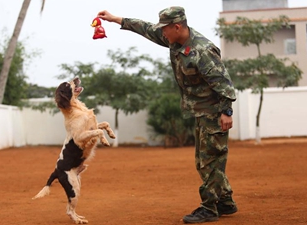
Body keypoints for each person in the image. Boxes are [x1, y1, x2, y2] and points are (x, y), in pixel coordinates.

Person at [97, 6, 237, 224]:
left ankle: (209, 207)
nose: (161, 33)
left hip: (214, 111)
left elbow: (224, 83)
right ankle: (225, 201)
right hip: (201, 111)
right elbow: (146, 28)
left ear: (177, 26)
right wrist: (116, 19)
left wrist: (226, 112)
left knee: (208, 160)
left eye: (165, 29)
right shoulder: (174, 40)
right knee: (208, 159)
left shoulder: (202, 50)